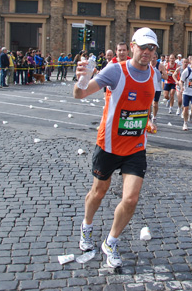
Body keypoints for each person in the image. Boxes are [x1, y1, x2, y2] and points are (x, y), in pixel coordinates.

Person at [74, 27, 159, 269]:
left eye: (151, 48)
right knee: (98, 193)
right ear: (132, 46)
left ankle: (110, 242)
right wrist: (81, 78)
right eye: (143, 47)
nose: (147, 52)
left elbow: (145, 106)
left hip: (136, 146)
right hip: (109, 145)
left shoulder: (155, 74)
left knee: (131, 199)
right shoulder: (115, 70)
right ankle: (87, 227)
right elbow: (80, 94)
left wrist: (148, 120)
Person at [150, 52, 167, 122]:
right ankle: (149, 116)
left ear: (157, 58)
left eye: (154, 58)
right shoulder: (147, 64)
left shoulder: (160, 66)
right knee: (148, 103)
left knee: (155, 103)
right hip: (148, 87)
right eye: (152, 58)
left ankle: (154, 115)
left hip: (157, 88)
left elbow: (166, 77)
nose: (153, 59)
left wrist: (159, 74)